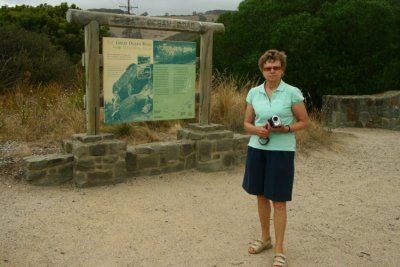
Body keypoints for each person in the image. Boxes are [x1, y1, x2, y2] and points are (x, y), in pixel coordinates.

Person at [242, 49, 309, 267]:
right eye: (268, 68)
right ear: (262, 70)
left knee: (279, 201)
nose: (272, 71)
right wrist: (257, 130)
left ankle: (279, 249)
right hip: (257, 149)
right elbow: (246, 123)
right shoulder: (254, 92)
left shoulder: (292, 93)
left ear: (282, 69)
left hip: (282, 152)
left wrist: (285, 128)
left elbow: (304, 121)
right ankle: (265, 239)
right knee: (261, 196)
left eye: (276, 67)